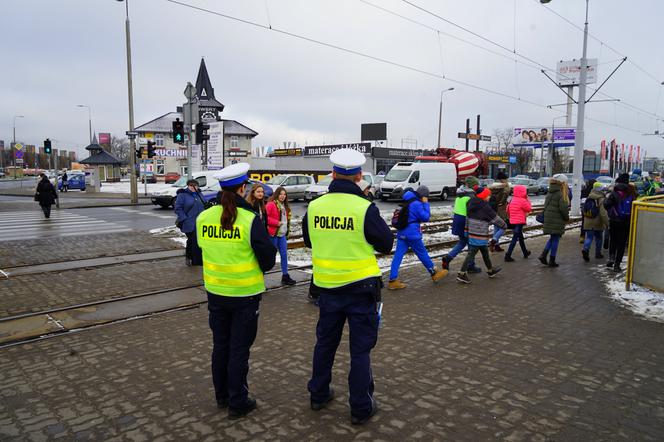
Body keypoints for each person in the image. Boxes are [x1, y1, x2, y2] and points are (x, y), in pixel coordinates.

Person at [303, 149, 393, 425]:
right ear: (358, 176)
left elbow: (308, 241)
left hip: (327, 287)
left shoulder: (315, 206)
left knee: (325, 343)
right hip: (360, 289)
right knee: (360, 350)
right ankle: (361, 407)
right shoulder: (363, 207)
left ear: (332, 174)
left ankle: (318, 394)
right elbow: (385, 243)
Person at [196, 163, 276, 419]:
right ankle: (238, 402)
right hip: (244, 295)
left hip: (216, 293)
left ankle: (222, 396)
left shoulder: (204, 217)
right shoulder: (250, 219)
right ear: (243, 189)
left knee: (220, 346)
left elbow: (200, 252)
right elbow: (267, 258)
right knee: (239, 350)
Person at [388, 185, 448, 289]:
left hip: (402, 232)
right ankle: (434, 273)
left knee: (398, 256)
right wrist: (425, 203)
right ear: (423, 195)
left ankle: (392, 280)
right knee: (422, 253)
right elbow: (425, 217)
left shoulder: (406, 199)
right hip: (412, 234)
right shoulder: (416, 203)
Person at [456, 186, 505, 284]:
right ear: (483, 196)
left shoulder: (470, 203)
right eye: (488, 196)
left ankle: (490, 270)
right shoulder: (484, 207)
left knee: (485, 252)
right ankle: (461, 273)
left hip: (473, 233)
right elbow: (495, 218)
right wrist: (504, 224)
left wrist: (466, 231)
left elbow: (467, 218)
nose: (489, 197)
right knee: (471, 254)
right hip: (480, 234)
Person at [441, 176, 481, 272]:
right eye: (476, 185)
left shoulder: (460, 194)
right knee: (472, 244)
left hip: (457, 220)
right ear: (472, 186)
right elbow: (472, 212)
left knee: (462, 242)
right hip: (466, 222)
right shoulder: (471, 196)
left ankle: (448, 258)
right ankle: (470, 266)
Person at [603, 173, 635, 272]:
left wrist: (611, 212)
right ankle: (617, 265)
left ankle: (611, 257)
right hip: (626, 222)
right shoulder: (632, 192)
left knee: (613, 240)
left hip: (614, 221)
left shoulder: (614, 192)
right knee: (621, 243)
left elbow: (606, 205)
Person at [538, 174, 570, 268]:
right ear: (562, 183)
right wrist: (566, 218)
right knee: (555, 238)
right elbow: (563, 208)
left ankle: (543, 255)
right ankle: (552, 259)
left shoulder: (550, 192)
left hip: (549, 217)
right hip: (557, 219)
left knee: (553, 237)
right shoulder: (560, 194)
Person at [266, 187, 296, 285]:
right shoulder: (271, 204)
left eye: (284, 194)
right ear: (276, 194)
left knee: (284, 255)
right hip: (273, 234)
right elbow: (265, 218)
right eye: (281, 194)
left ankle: (285, 275)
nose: (283, 196)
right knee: (270, 256)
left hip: (282, 234)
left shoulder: (285, 206)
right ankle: (261, 276)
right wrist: (276, 223)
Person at [175, 179, 205, 266]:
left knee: (198, 241)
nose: (193, 187)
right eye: (191, 186)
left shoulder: (200, 194)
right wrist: (185, 218)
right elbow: (178, 208)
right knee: (192, 240)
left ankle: (196, 258)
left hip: (200, 223)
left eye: (195, 186)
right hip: (189, 223)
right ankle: (189, 257)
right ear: (188, 186)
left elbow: (203, 205)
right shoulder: (182, 195)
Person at [581, 182, 609, 262]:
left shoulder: (589, 196)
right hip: (598, 222)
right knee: (599, 238)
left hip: (588, 221)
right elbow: (603, 213)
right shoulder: (601, 198)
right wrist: (607, 223)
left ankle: (585, 249)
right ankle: (598, 254)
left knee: (589, 237)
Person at [504, 184, 532, 262]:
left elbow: (507, 209)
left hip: (512, 221)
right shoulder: (522, 200)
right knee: (515, 238)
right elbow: (529, 208)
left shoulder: (512, 199)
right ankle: (508, 255)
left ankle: (525, 252)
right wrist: (527, 199)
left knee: (520, 238)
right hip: (519, 222)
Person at [489, 172, 510, 252]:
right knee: (503, 227)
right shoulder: (505, 187)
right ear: (503, 179)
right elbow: (503, 199)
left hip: (493, 208)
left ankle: (496, 245)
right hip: (501, 209)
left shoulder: (493, 187)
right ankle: (494, 241)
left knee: (496, 227)